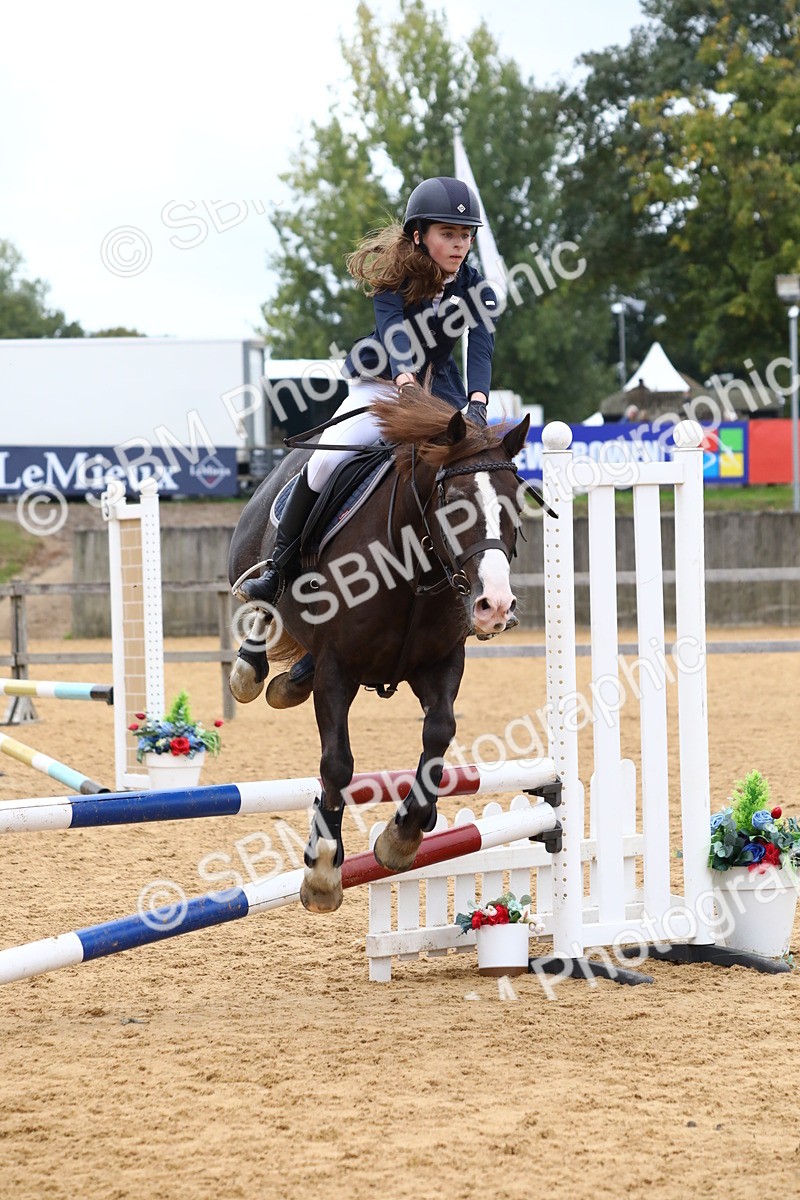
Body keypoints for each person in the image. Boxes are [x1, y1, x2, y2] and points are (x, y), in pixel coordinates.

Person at [239, 175, 499, 605]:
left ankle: (484, 579)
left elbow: (481, 347)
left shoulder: (476, 288)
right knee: (324, 461)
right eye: (447, 234)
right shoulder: (392, 280)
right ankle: (278, 569)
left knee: (482, 468)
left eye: (465, 235)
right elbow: (396, 336)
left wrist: (478, 404)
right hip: (380, 385)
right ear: (419, 235)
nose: (459, 244)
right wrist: (405, 384)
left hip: (441, 391)